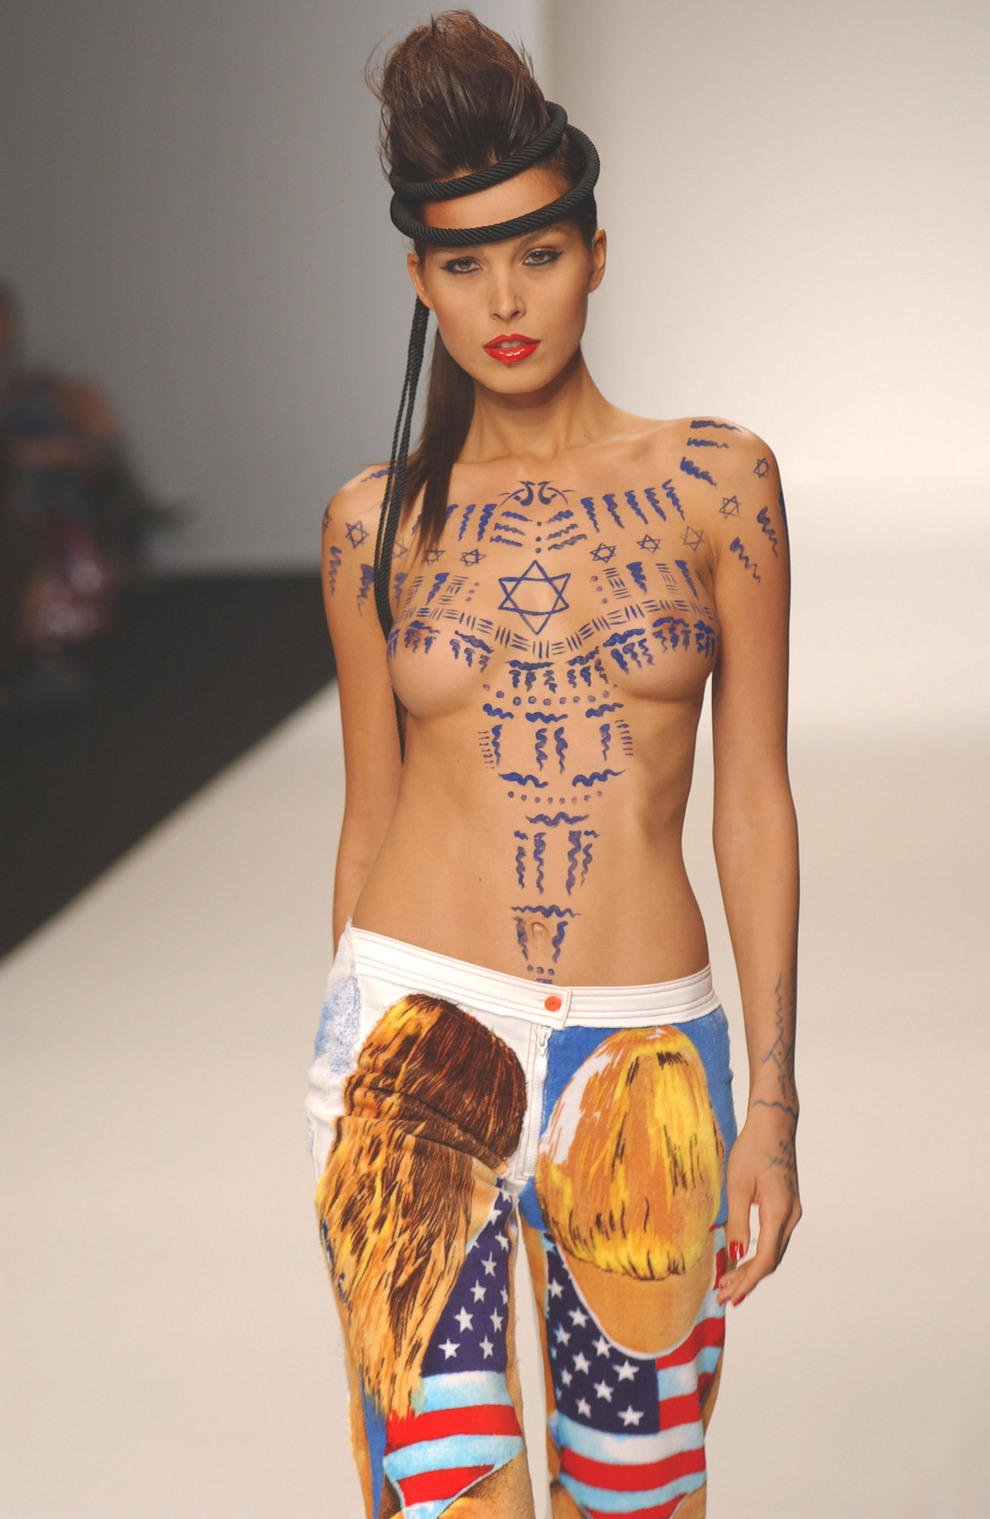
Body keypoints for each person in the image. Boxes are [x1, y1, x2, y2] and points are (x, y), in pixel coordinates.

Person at [303, 11, 802, 1517]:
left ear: (596, 253)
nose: (505, 299)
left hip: (644, 1062)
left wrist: (773, 1105)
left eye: (537, 253)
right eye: (463, 265)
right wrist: (339, 1055)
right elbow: (370, 814)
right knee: (445, 1499)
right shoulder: (371, 522)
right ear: (419, 279)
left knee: (639, 1498)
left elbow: (753, 803)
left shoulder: (721, 484)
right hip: (410, 1048)